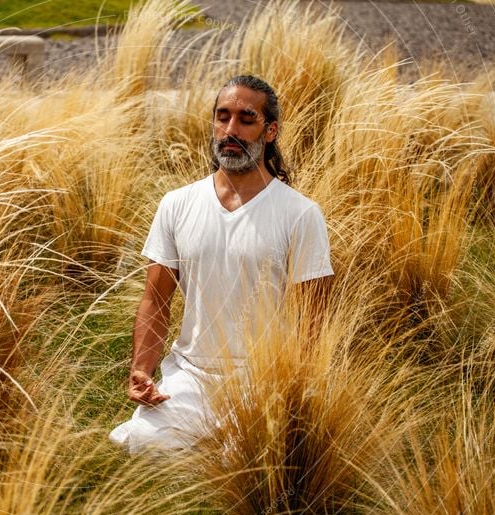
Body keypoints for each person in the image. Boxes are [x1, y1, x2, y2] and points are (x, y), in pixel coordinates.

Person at [109, 75, 334, 454]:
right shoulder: (177, 204)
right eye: (222, 116)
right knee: (147, 447)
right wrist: (142, 371)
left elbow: (313, 318)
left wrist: (294, 395)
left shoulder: (301, 214)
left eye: (246, 119)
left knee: (247, 460)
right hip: (190, 376)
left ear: (270, 130)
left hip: (263, 381)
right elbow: (155, 300)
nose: (231, 129)